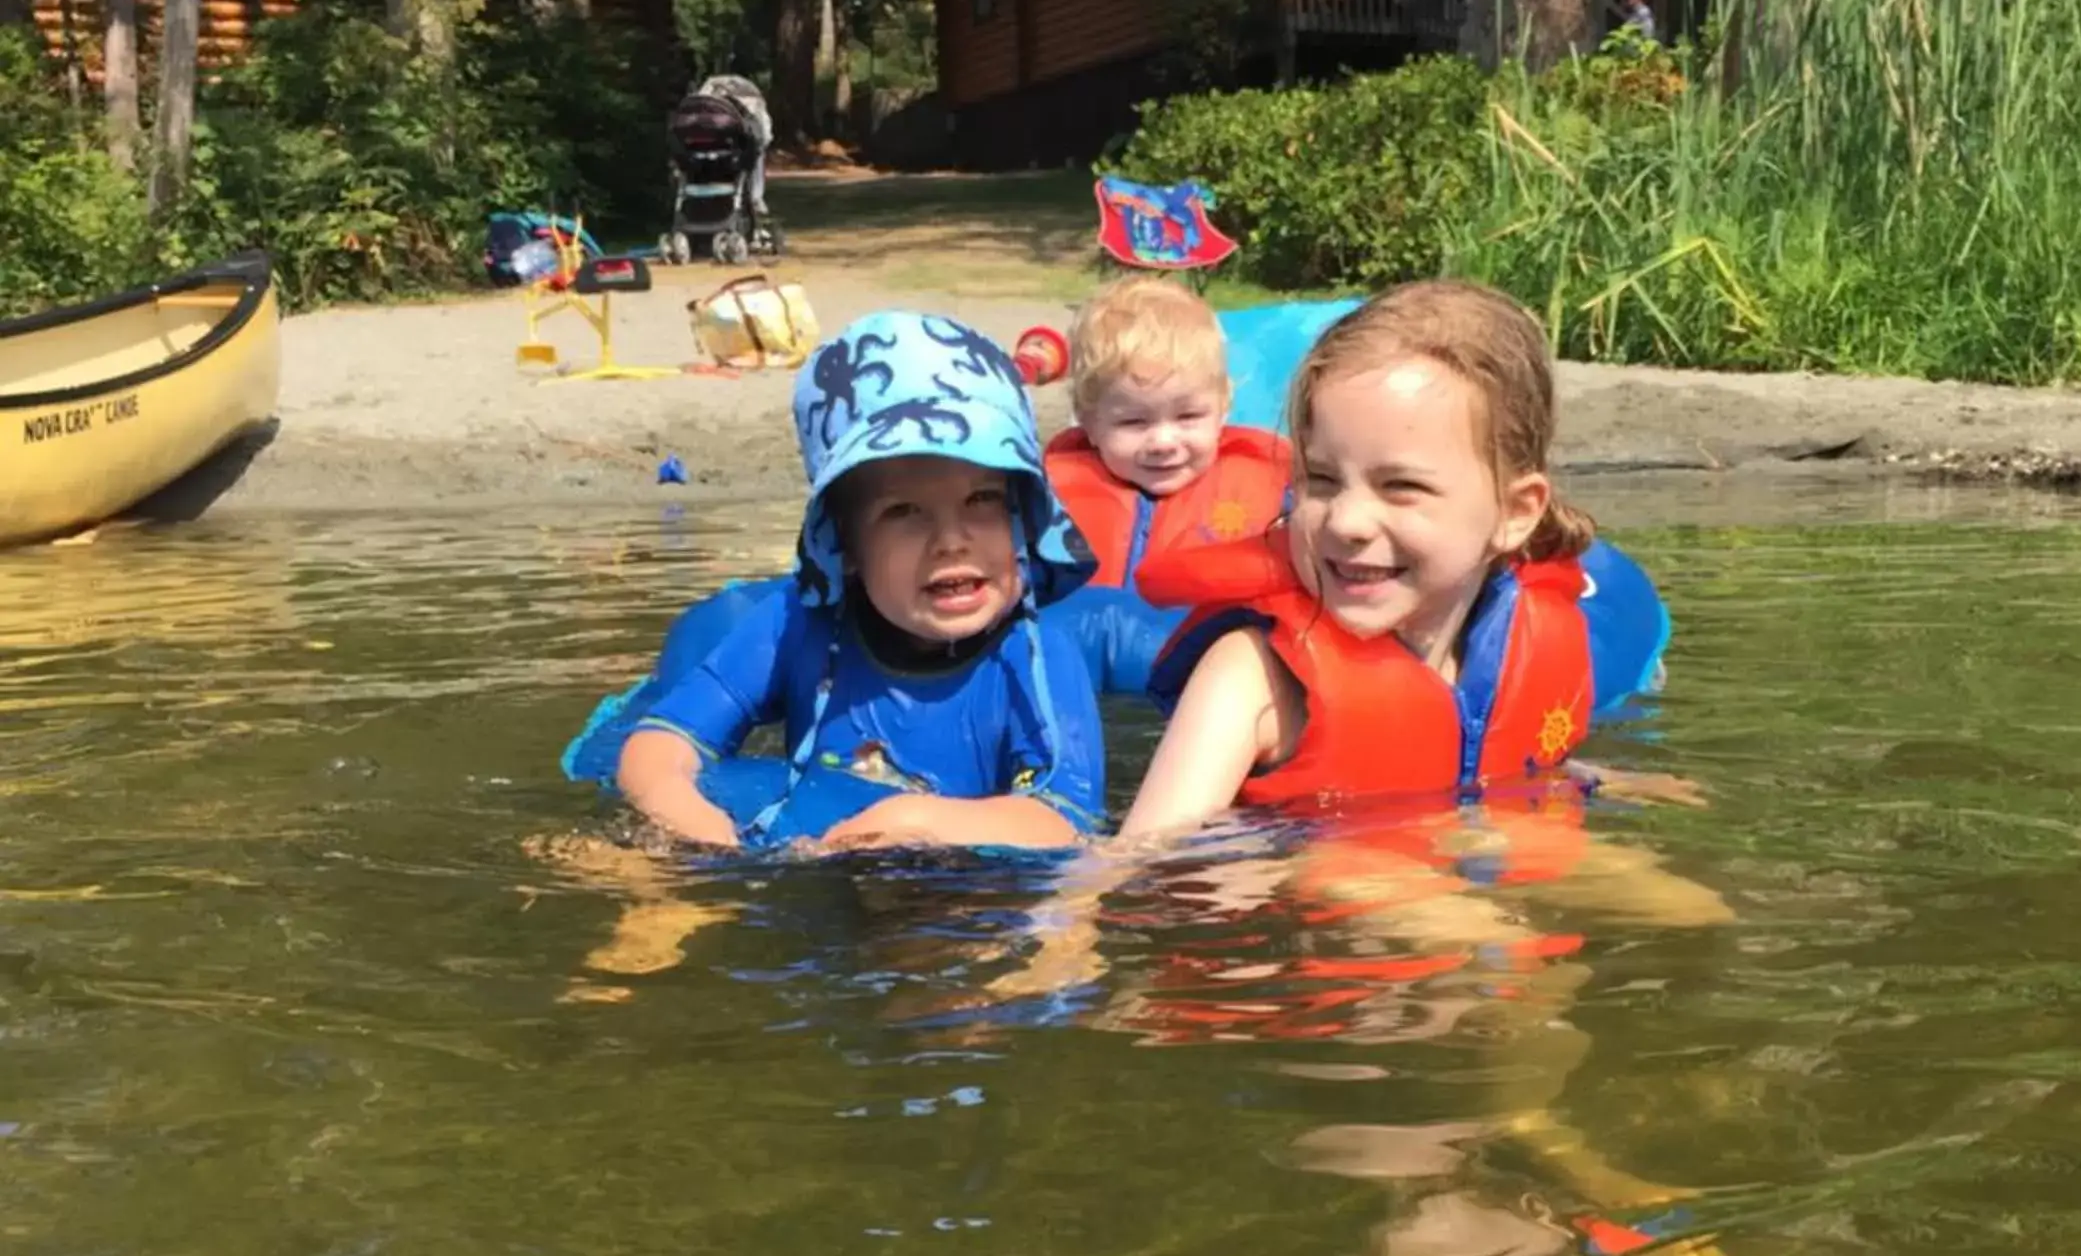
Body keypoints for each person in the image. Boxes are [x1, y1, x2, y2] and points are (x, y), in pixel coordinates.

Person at [1120, 280, 1664, 838]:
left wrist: (1584, 781)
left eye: (1400, 486)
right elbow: (1142, 865)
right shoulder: (1254, 676)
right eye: (1323, 480)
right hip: (1321, 900)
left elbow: (1478, 769)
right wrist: (1294, 866)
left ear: (1514, 512)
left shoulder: (1515, 639)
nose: (1346, 522)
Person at [591, 311, 1106, 855]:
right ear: (845, 544)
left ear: (1023, 519)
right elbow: (661, 740)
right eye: (905, 511)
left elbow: (1064, 820)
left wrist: (912, 819)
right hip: (817, 880)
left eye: (983, 501)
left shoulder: (1036, 656)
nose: (952, 540)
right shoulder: (795, 624)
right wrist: (688, 815)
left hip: (971, 896)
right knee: (623, 861)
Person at [1044, 273, 1292, 594]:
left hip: (1214, 641)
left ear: (1223, 406)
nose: (1163, 442)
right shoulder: (1047, 499)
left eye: (1188, 416)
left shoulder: (1278, 490)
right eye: (1133, 422)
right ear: (1088, 420)